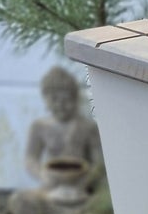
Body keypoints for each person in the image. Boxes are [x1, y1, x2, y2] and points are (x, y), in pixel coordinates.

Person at [24, 65, 103, 202]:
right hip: (52, 186)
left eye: (66, 100)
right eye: (54, 100)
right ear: (45, 100)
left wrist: (84, 183)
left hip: (81, 187)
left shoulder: (88, 127)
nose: (60, 105)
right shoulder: (39, 127)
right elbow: (30, 159)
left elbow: (99, 163)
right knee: (20, 200)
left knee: (97, 204)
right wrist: (43, 175)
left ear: (75, 100)